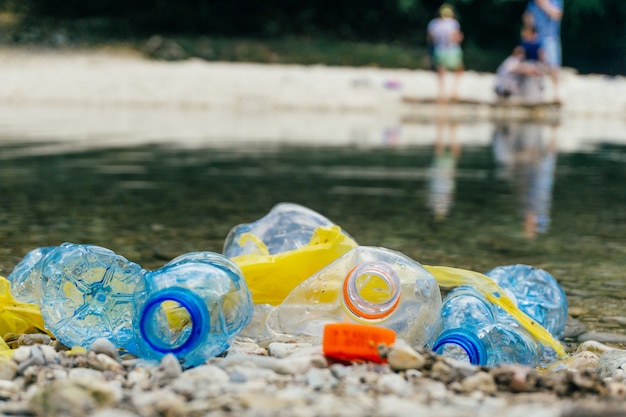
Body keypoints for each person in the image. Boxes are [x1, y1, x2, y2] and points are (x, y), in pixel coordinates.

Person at [524, 0, 563, 102]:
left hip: (550, 36)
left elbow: (556, 14)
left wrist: (543, 4)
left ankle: (556, 93)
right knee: (534, 64)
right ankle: (534, 93)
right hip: (536, 36)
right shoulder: (533, 3)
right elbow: (528, 16)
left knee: (553, 65)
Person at [427, 4, 464, 102]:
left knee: (441, 70)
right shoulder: (453, 23)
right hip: (452, 49)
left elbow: (430, 38)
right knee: (459, 68)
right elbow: (456, 37)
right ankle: (454, 91)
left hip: (439, 49)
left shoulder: (433, 23)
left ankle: (441, 93)